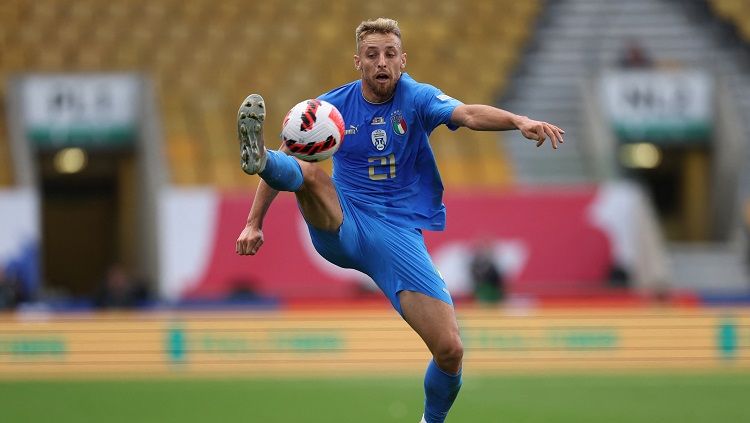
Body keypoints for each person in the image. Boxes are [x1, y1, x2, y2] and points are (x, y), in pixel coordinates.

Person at [235, 18, 563, 423]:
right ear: (358, 61)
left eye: (390, 53)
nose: (381, 62)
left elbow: (469, 113)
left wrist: (518, 121)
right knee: (310, 174)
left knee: (450, 349)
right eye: (372, 55)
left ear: (403, 60)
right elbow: (292, 150)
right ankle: (260, 159)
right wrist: (254, 221)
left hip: (398, 237)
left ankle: (431, 421)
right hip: (346, 221)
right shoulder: (328, 109)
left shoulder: (417, 99)